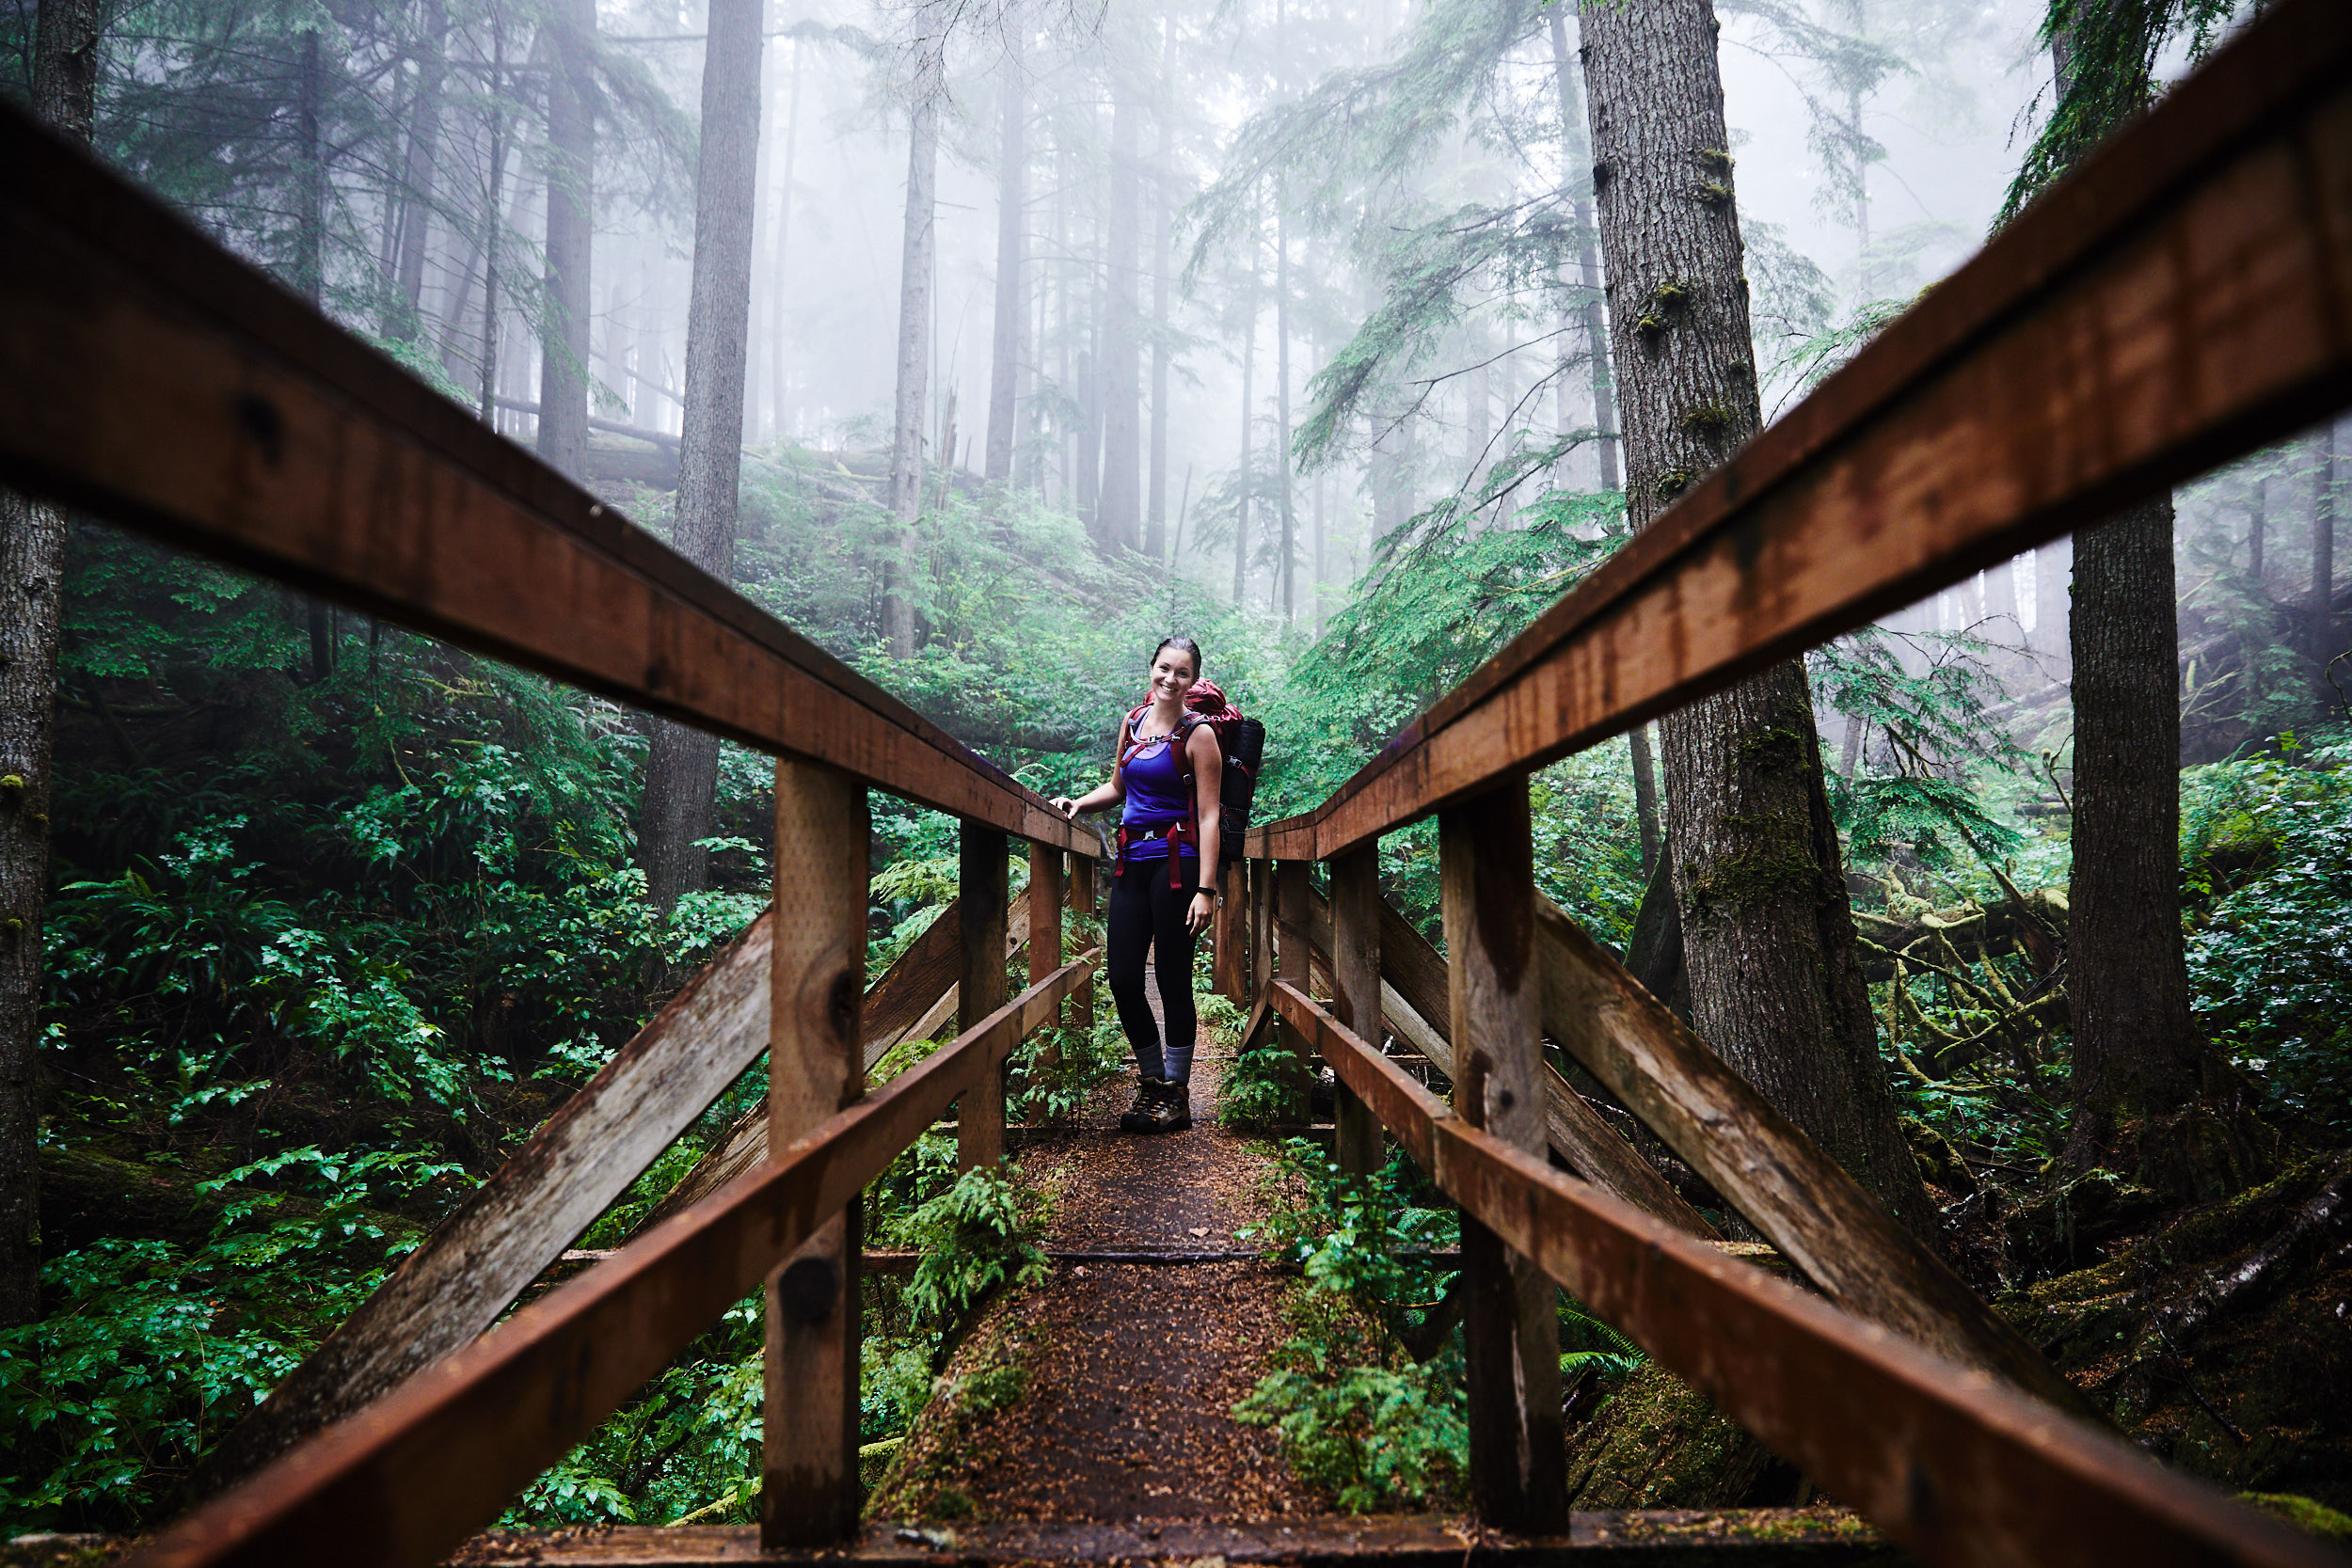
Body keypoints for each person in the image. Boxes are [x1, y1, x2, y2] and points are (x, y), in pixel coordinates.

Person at [1050, 636, 1222, 1132]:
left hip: (1178, 864)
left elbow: (1209, 815)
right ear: (1151, 668)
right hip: (1132, 862)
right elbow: (1120, 788)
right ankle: (1152, 1082)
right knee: (1124, 975)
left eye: (1182, 672)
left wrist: (1206, 890)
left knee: (1171, 976)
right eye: (1164, 668)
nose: (1171, 679)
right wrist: (1080, 803)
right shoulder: (1133, 722)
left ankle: (1176, 1093)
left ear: (1193, 680)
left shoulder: (1200, 734)